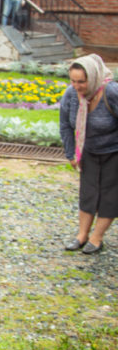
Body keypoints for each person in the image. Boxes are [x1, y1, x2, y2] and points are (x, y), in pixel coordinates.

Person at [60, 54, 118, 255]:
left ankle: (97, 237)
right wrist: (71, 153)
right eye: (73, 81)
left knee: (110, 196)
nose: (77, 86)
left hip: (114, 152)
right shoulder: (71, 95)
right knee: (88, 194)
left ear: (92, 78)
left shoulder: (111, 92)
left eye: (81, 82)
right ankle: (82, 235)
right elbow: (66, 125)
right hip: (88, 151)